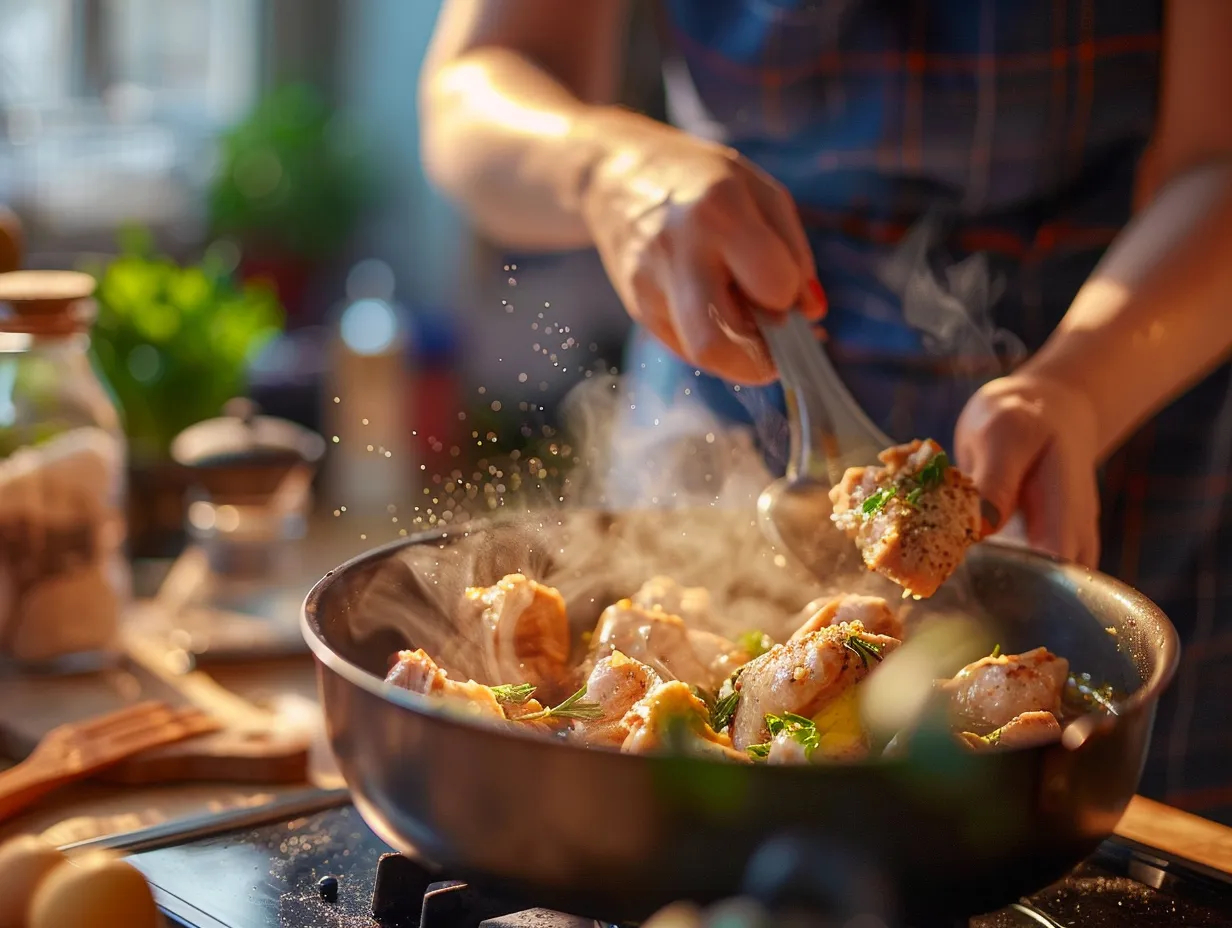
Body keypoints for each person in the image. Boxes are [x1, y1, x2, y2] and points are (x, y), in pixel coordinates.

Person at [418, 0, 1232, 823]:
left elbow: (1220, 163)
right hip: (712, 406)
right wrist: (607, 169)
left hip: (1127, 403)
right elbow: (473, 86)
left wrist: (1081, 389)